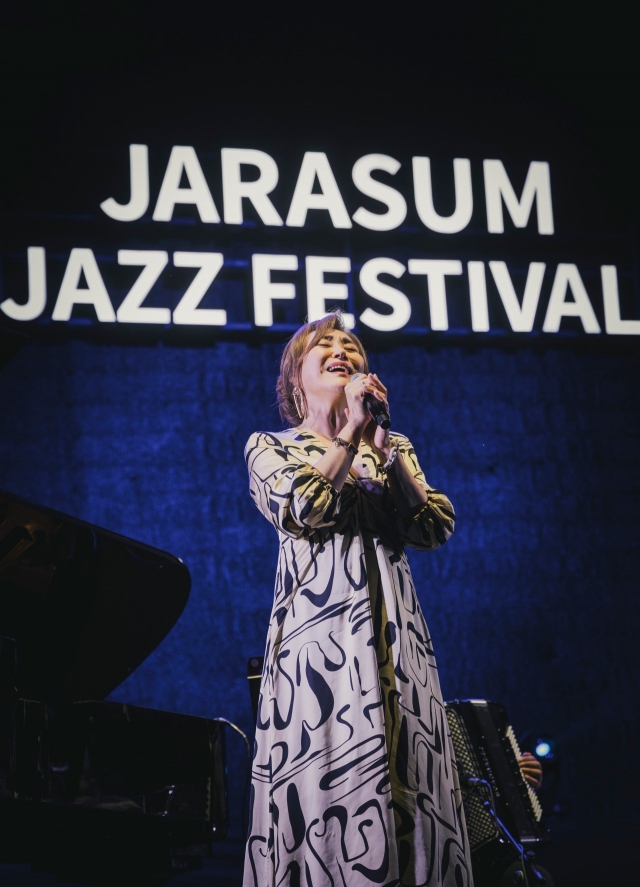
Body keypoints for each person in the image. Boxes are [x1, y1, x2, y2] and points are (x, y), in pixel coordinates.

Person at [243, 313, 473, 887]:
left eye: (353, 347)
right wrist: (348, 438)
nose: (343, 350)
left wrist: (387, 452)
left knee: (411, 793)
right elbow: (305, 507)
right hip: (320, 657)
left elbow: (433, 525)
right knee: (324, 794)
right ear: (296, 381)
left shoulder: (390, 449)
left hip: (399, 649)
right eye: (326, 345)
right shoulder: (270, 446)